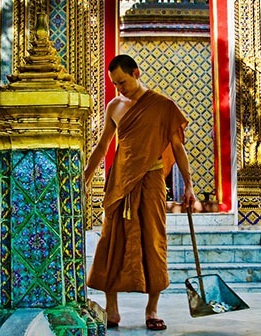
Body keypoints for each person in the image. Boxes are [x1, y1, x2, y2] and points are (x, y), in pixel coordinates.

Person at [84, 54, 196, 331]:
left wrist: (189, 185)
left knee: (153, 241)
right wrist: (84, 179)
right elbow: (102, 146)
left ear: (136, 73)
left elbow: (177, 147)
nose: (119, 89)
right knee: (111, 241)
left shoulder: (162, 106)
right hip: (120, 182)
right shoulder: (114, 107)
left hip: (151, 181)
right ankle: (112, 310)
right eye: (114, 84)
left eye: (122, 82)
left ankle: (152, 310)